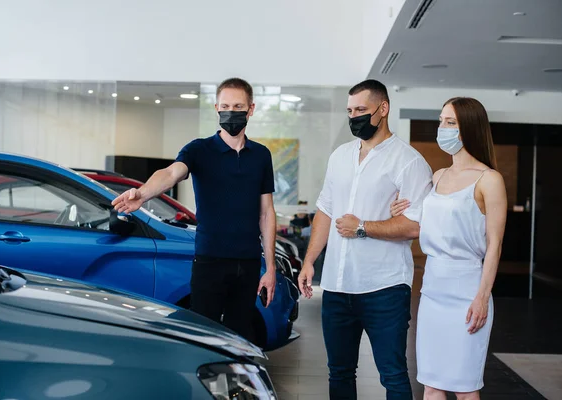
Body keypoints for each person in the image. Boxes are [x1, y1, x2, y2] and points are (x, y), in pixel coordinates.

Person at [112, 78, 277, 344]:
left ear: (251, 109)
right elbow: (170, 173)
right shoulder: (200, 150)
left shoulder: (261, 155)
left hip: (247, 265)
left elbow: (266, 213)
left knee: (239, 340)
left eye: (237, 106)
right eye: (225, 106)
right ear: (216, 108)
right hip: (210, 262)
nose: (230, 112)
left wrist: (270, 268)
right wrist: (142, 193)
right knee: (203, 338)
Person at [297, 79, 433, 400]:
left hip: (384, 289)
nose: (354, 116)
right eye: (350, 110)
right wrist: (308, 262)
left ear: (382, 109)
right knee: (339, 373)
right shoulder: (339, 157)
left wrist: (363, 227)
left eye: (361, 109)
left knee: (393, 375)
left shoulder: (409, 162)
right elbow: (325, 212)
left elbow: (415, 226)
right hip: (337, 286)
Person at [390, 97, 507, 399]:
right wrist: (400, 210)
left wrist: (481, 297)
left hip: (467, 289)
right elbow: (425, 225)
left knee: (466, 388)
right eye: (441, 121)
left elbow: (494, 245)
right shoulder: (438, 176)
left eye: (450, 123)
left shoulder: (489, 180)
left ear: (469, 128)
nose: (442, 128)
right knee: (431, 384)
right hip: (432, 290)